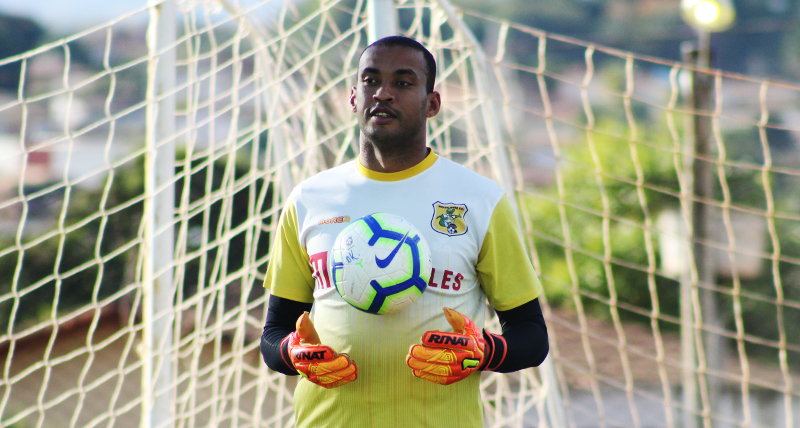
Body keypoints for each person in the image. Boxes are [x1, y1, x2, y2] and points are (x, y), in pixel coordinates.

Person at [260, 35, 549, 428]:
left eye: (403, 82)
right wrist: (292, 352)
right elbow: (274, 333)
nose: (383, 93)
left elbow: (531, 335)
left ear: (432, 104)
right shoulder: (309, 199)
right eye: (370, 80)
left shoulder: (480, 200)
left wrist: (485, 351)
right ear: (353, 98)